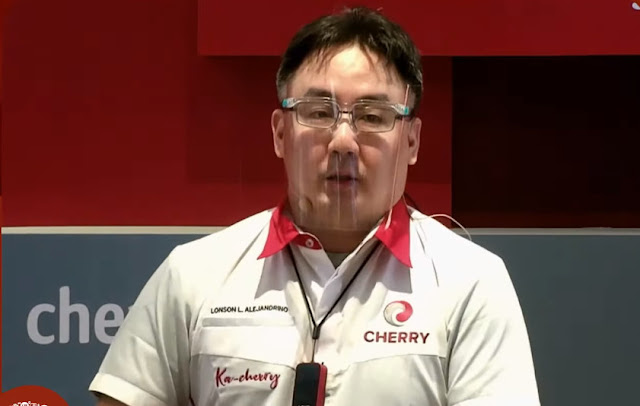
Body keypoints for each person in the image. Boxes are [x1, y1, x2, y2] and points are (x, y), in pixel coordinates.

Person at [90, 6, 540, 406]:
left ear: (412, 141)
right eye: (318, 112)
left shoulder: (470, 283)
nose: (343, 141)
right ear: (280, 133)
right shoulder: (194, 274)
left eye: (372, 116)